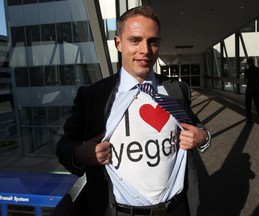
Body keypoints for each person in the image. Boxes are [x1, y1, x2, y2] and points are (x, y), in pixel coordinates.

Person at [56, 6, 211, 216]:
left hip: (177, 208)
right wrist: (79, 153)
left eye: (152, 41)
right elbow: (62, 145)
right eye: (135, 40)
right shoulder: (93, 96)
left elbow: (195, 127)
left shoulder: (176, 91)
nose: (145, 50)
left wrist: (202, 136)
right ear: (118, 43)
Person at [244, 58, 259, 124]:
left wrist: (245, 81)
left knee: (248, 105)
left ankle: (249, 119)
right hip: (257, 89)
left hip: (249, 89)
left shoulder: (247, 70)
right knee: (258, 105)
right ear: (253, 62)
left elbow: (246, 81)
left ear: (248, 63)